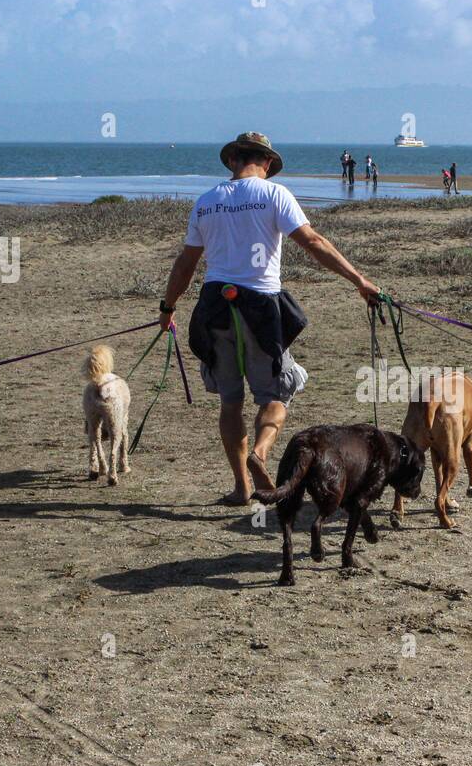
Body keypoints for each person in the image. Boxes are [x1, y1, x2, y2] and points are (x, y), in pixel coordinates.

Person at [158, 132, 380, 505]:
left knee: (230, 402)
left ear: (233, 161)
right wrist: (359, 280)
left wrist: (167, 309)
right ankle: (260, 453)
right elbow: (313, 242)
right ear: (267, 164)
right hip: (260, 307)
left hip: (214, 308)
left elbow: (186, 263)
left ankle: (242, 487)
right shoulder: (274, 194)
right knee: (278, 393)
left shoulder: (207, 201)